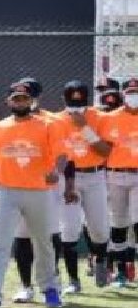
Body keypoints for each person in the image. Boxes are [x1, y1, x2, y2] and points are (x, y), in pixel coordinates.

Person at [0, 79, 70, 308]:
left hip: (40, 191)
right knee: (0, 243)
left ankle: (50, 289)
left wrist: (56, 172)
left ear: (32, 100)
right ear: (8, 101)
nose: (20, 102)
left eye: (25, 98)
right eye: (16, 98)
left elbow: (62, 154)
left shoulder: (47, 125)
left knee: (43, 243)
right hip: (6, 191)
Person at [9, 78, 69, 302]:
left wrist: (58, 174)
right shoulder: (10, 122)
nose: (26, 99)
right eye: (20, 95)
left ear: (37, 97)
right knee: (22, 234)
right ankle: (26, 285)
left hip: (47, 184)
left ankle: (52, 281)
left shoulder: (53, 121)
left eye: (30, 95)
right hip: (18, 183)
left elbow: (63, 153)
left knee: (49, 233)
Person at [53, 81, 113, 290]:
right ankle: (73, 280)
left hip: (95, 176)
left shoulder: (100, 117)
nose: (75, 106)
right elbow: (57, 154)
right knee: (69, 229)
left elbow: (105, 152)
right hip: (68, 177)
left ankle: (100, 259)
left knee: (100, 229)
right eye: (71, 102)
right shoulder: (57, 120)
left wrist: (84, 128)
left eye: (79, 102)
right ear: (64, 100)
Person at [101, 77, 138, 287]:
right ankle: (121, 271)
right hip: (115, 174)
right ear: (123, 94)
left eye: (136, 91)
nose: (134, 96)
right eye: (130, 92)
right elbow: (104, 148)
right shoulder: (111, 118)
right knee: (118, 223)